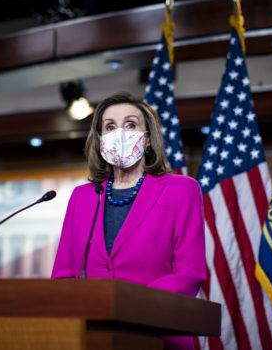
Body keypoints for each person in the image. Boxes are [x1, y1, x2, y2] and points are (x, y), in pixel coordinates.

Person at [51, 92, 206, 349]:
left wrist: (129, 304)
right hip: (89, 336)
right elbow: (63, 275)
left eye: (130, 124)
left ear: (147, 138)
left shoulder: (182, 190)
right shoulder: (83, 196)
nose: (119, 133)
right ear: (100, 140)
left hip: (158, 336)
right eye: (110, 127)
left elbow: (189, 272)